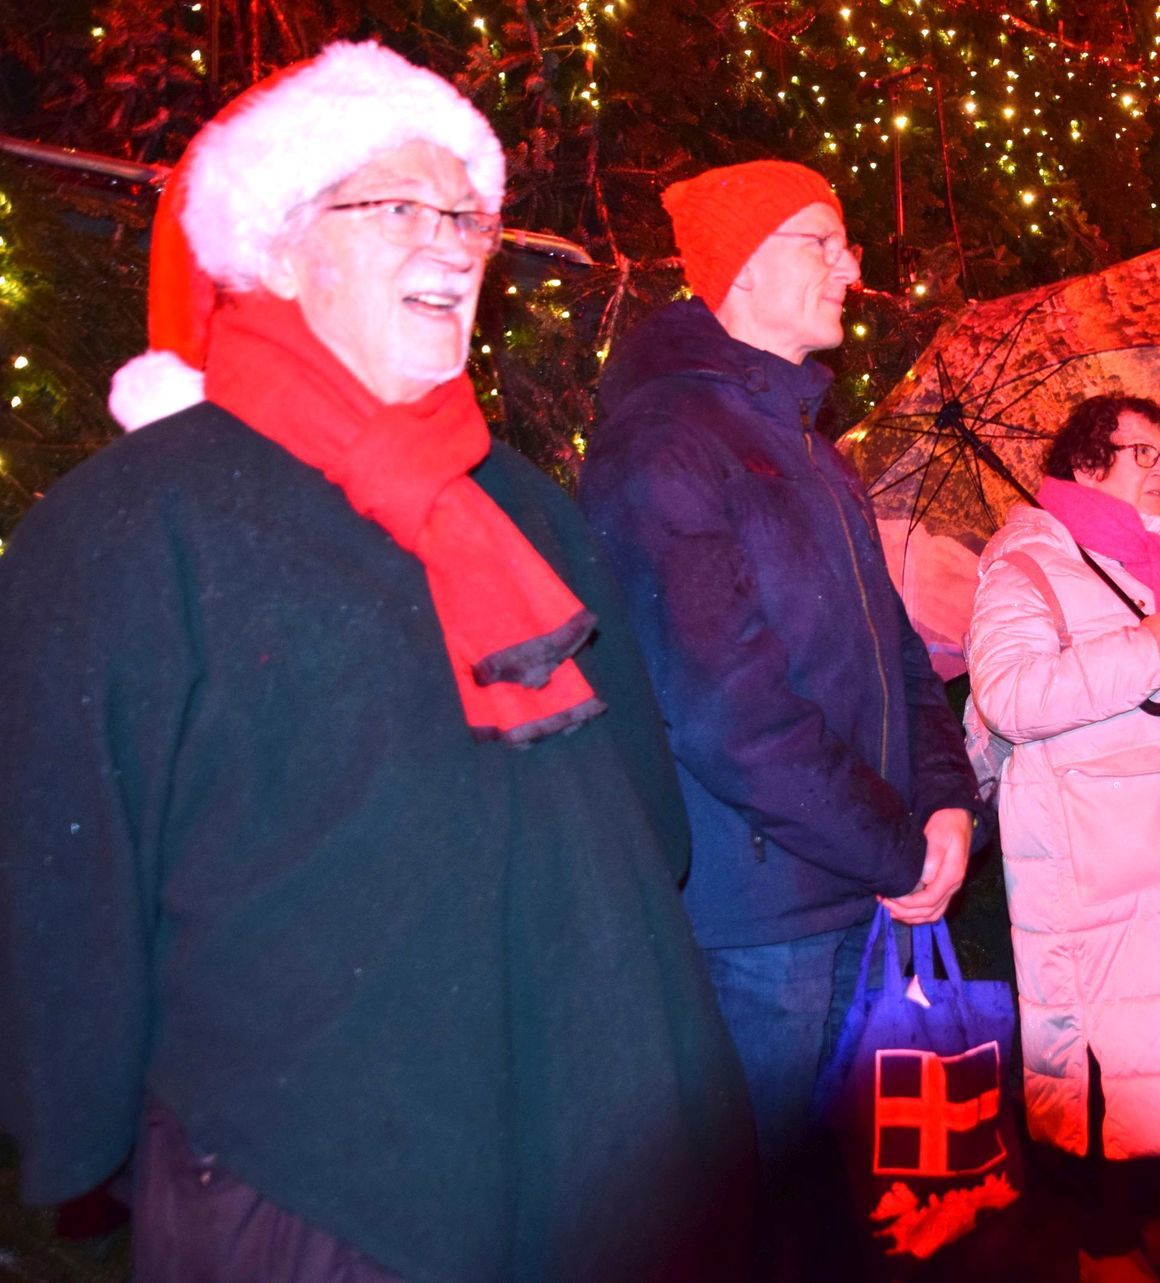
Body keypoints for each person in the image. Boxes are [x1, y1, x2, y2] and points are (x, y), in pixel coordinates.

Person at [0, 43, 753, 1282]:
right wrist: (78, 1126)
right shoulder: (132, 524)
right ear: (281, 248)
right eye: (398, 206)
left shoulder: (525, 504)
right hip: (317, 1189)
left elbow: (648, 822)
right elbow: (62, 878)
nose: (454, 241)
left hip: (604, 1161)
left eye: (464, 211)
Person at [576, 160, 979, 1256]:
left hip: (854, 893)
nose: (853, 265)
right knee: (736, 1228)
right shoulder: (664, 446)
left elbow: (895, 649)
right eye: (823, 240)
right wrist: (896, 846)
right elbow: (723, 708)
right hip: (759, 926)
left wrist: (945, 801)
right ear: (742, 265)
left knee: (832, 1216)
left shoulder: (812, 448)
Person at [966, 395, 1160, 1283]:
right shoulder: (1026, 561)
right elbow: (1009, 696)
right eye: (1138, 449)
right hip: (1095, 861)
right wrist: (1142, 649)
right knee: (1111, 1059)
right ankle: (1103, 1245)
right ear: (1086, 462)